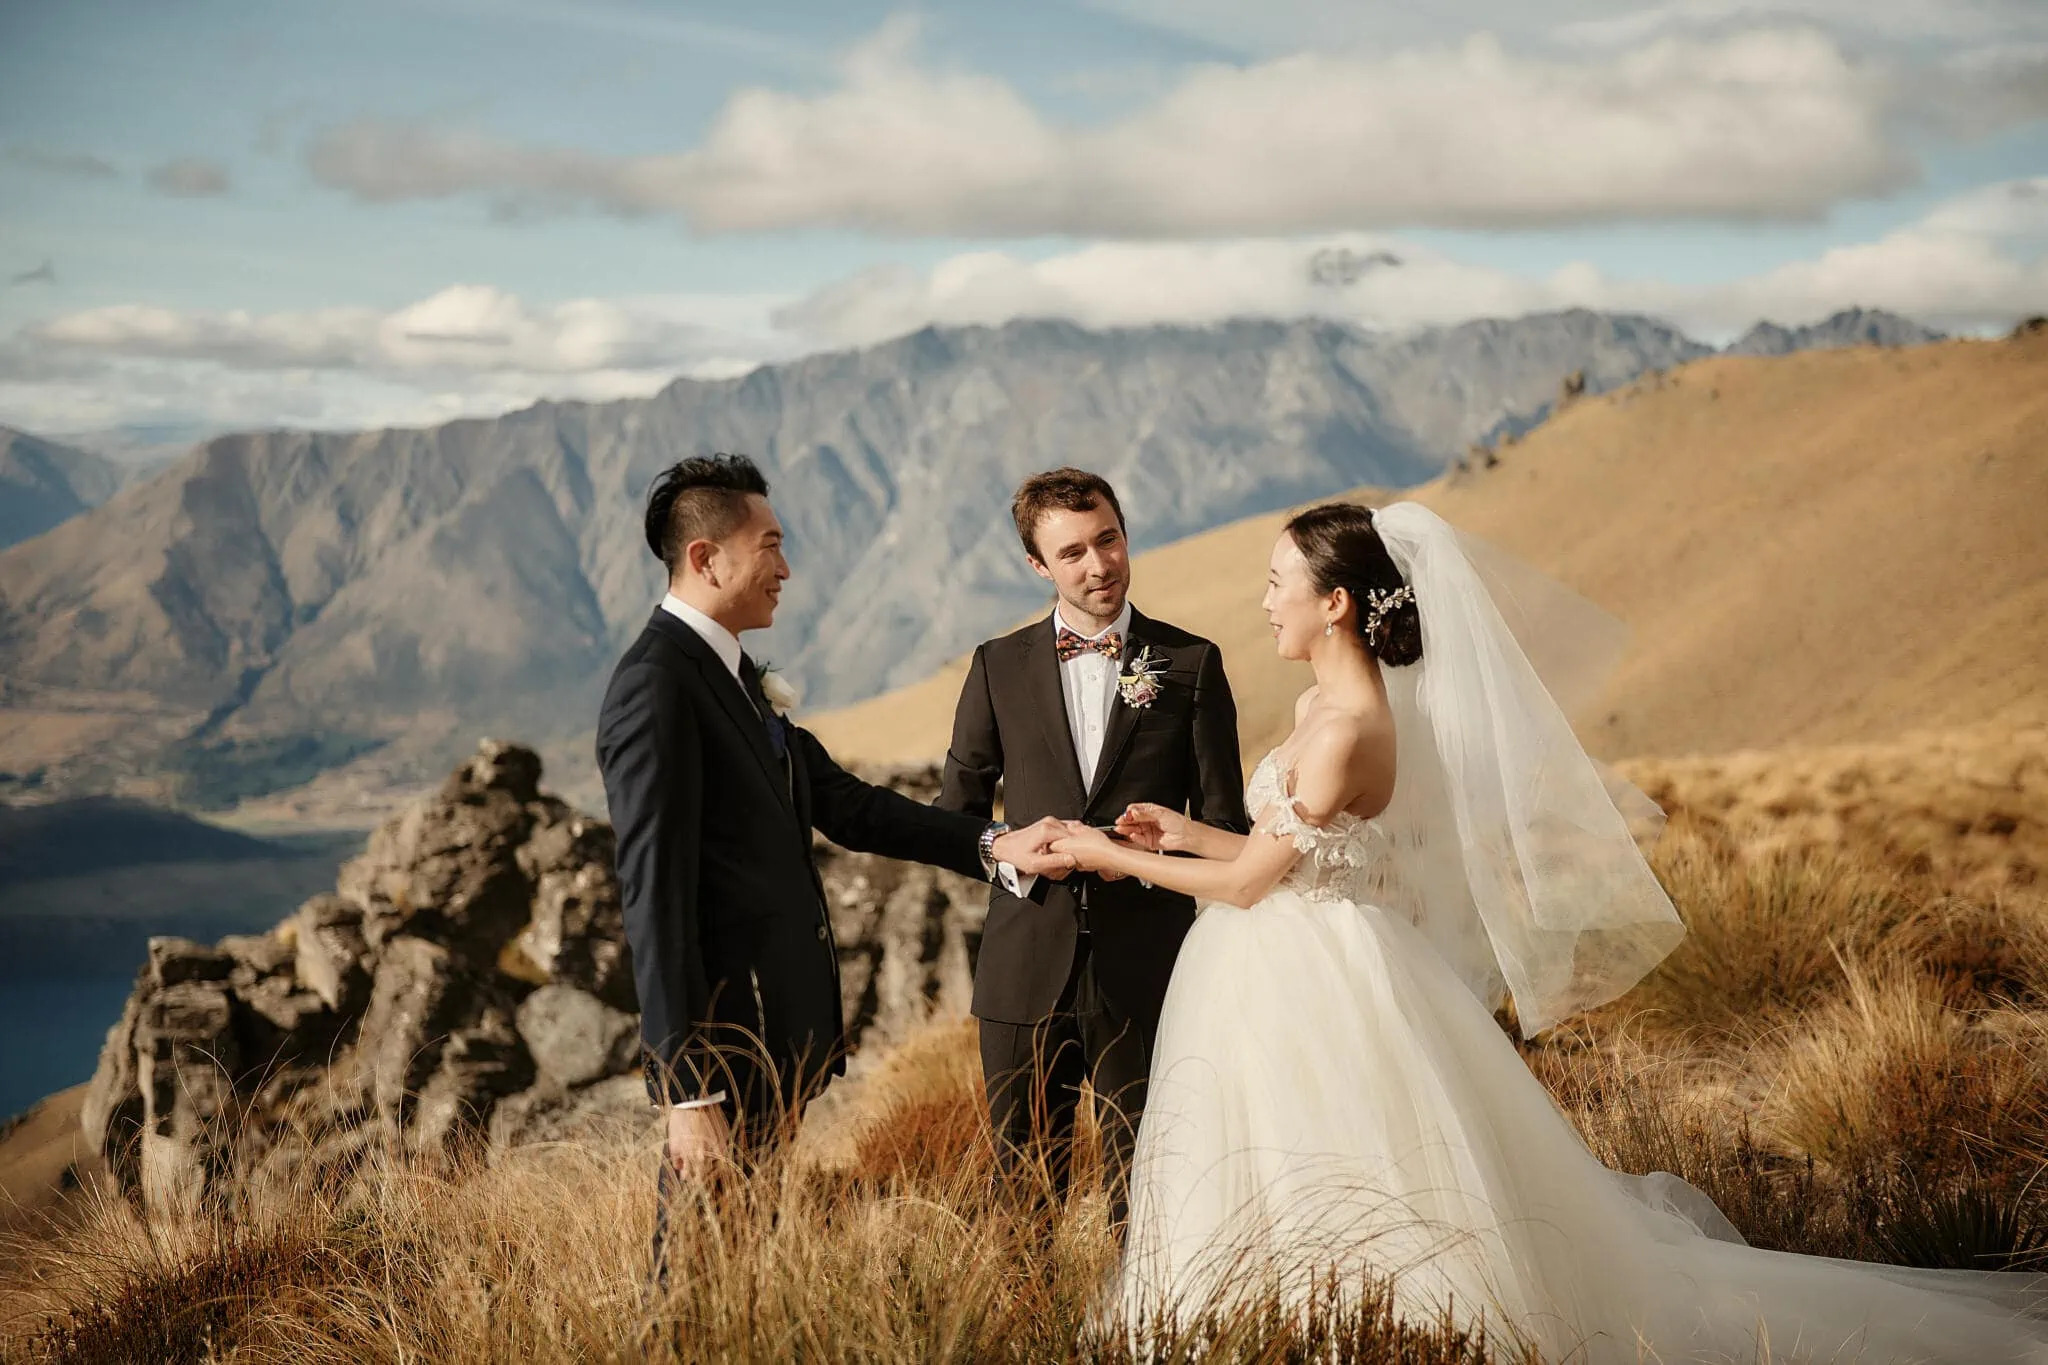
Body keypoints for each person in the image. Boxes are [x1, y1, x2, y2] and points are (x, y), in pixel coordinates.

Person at [1050, 501, 2048, 1362]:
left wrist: (1108, 856)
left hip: (1317, 973)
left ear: (1335, 603)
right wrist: (1181, 829)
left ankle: (1379, 1330)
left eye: (1276, 583)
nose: (1264, 600)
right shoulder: (1321, 703)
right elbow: (1286, 853)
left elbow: (1244, 889)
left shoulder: (1350, 725)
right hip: (1292, 958)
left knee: (1344, 1162)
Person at [596, 454, 1071, 1281]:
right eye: (770, 545)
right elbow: (654, 899)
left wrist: (994, 844)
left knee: (737, 1282)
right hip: (726, 1055)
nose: (786, 567)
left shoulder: (731, 672)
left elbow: (845, 803)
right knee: (692, 1288)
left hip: (775, 1048)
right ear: (706, 558)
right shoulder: (658, 686)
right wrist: (688, 1093)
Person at [938, 468, 1247, 1211]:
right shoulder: (995, 666)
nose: (1099, 564)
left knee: (1149, 1191)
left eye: (1107, 539)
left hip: (1149, 971)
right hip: (1023, 971)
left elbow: (1225, 826)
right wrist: (1015, 856)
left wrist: (1142, 860)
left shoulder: (1191, 663)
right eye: (1072, 552)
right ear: (1037, 566)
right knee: (1021, 1192)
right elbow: (955, 815)